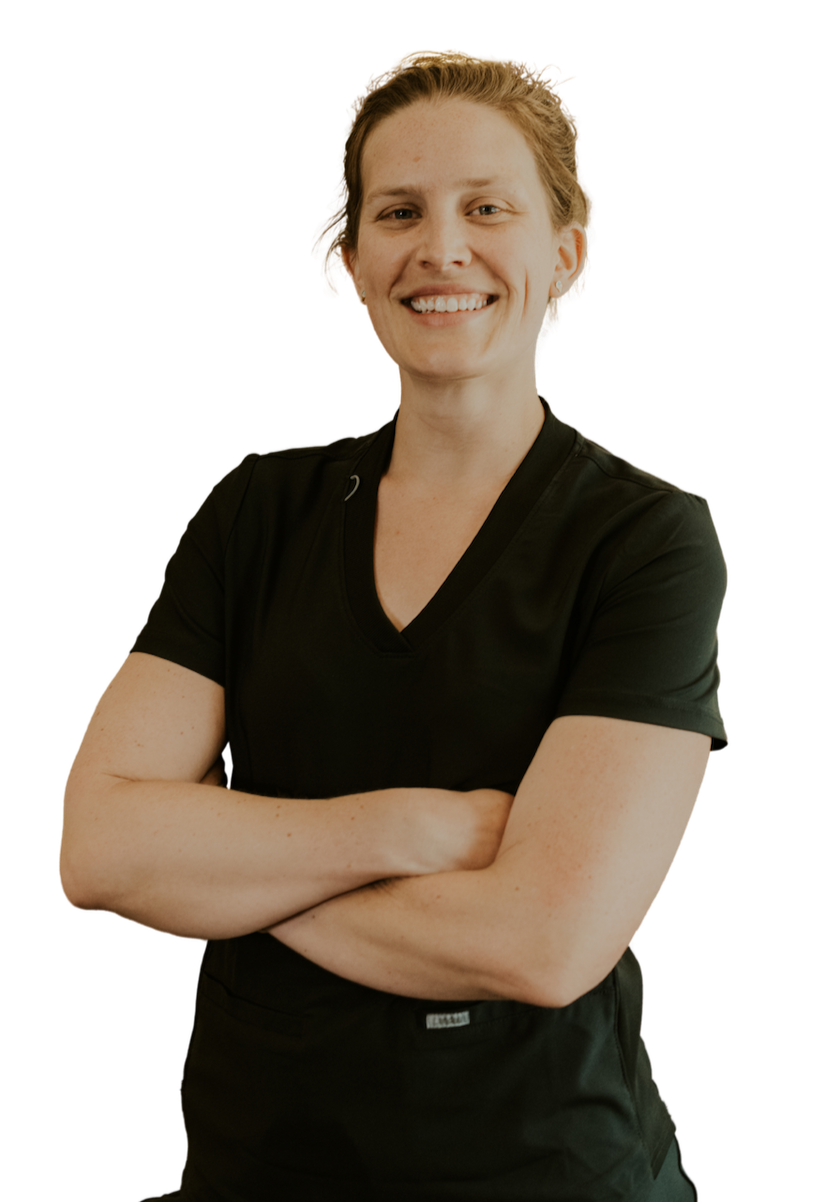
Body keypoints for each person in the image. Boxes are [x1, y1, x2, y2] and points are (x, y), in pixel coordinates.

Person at [123, 49, 720, 1199]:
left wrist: (224, 868)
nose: (439, 248)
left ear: (566, 258)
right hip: (258, 1169)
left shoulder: (648, 539)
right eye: (397, 211)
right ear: (351, 265)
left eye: (485, 207)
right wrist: (415, 828)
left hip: (546, 1169)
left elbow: (543, 944)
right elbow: (103, 848)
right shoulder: (258, 505)